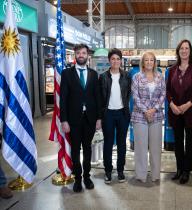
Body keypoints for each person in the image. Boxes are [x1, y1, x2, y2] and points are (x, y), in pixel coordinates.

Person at [60, 44, 102, 193]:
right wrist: (64, 120)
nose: (81, 55)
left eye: (84, 53)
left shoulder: (93, 74)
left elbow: (97, 97)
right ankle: (78, 178)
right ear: (75, 55)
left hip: (90, 118)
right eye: (78, 53)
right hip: (73, 120)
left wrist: (99, 118)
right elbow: (63, 99)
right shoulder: (66, 74)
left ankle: (87, 177)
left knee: (88, 148)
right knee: (76, 150)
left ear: (87, 55)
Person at [166, 39, 192, 184]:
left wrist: (188, 104)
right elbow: (168, 90)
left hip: (191, 112)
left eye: (186, 48)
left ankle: (186, 171)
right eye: (181, 48)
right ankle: (179, 169)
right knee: (177, 142)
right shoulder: (172, 70)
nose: (184, 50)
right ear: (178, 51)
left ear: (190, 51)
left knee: (189, 142)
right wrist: (172, 104)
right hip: (175, 112)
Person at [131, 52, 166, 183]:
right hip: (140, 116)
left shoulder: (160, 77)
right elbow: (135, 96)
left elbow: (163, 94)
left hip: (156, 115)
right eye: (147, 60)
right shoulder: (136, 77)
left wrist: (154, 109)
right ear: (143, 62)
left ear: (155, 62)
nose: (149, 62)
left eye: (152, 60)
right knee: (140, 147)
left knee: (156, 147)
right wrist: (146, 111)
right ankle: (141, 175)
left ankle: (156, 174)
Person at [99, 48, 131, 184]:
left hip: (123, 113)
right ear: (109, 60)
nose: (116, 61)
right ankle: (107, 170)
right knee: (108, 143)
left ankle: (120, 170)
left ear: (121, 61)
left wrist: (125, 108)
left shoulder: (126, 76)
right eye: (113, 59)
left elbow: (128, 94)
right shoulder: (103, 77)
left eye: (118, 59)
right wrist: (100, 117)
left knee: (122, 143)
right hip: (108, 114)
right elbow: (101, 98)